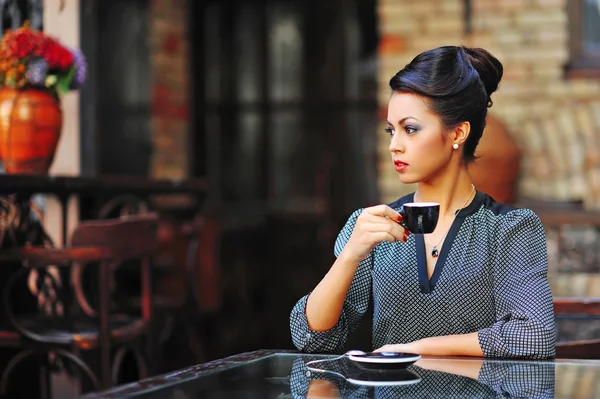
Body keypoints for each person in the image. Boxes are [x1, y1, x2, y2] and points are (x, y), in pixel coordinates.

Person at [289, 45, 556, 359]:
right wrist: (350, 255)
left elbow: (535, 335)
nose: (394, 146)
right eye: (391, 130)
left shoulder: (509, 229)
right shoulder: (371, 226)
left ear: (458, 132)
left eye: (410, 129)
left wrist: (418, 350)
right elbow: (311, 339)